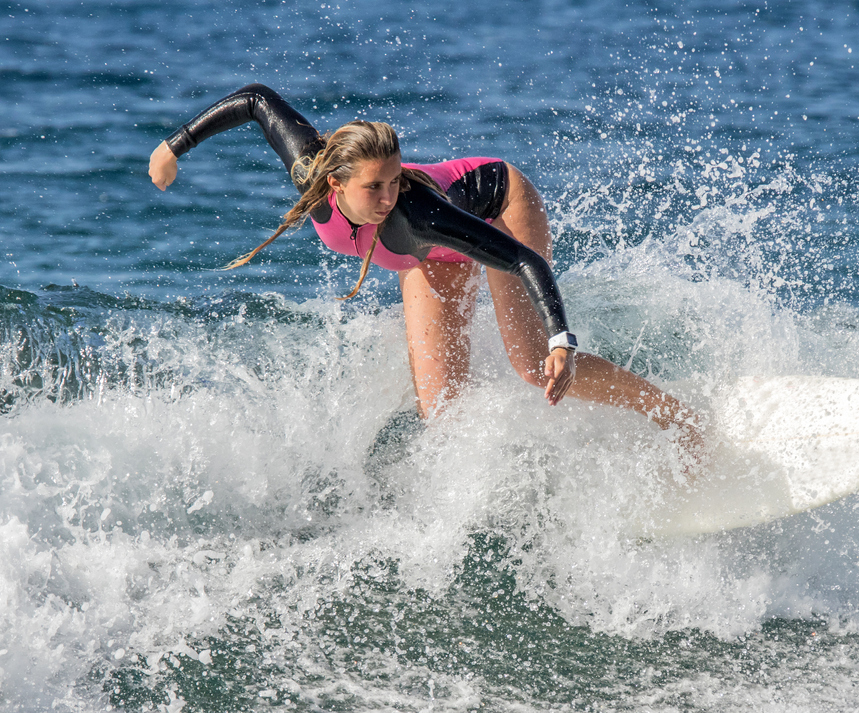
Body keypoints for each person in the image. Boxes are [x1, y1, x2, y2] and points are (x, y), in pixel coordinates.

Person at [148, 83, 698, 450]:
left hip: (496, 207)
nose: (388, 195)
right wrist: (174, 146)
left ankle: (677, 417)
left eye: (394, 180)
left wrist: (562, 337)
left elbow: (524, 260)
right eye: (374, 186)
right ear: (334, 183)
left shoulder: (416, 214)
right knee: (442, 413)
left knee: (532, 363)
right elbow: (256, 101)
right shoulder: (312, 177)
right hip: (430, 255)